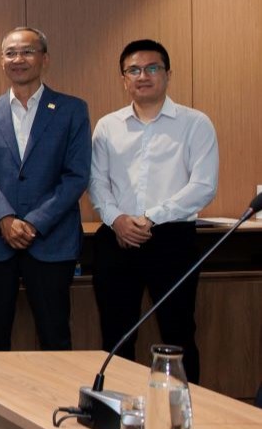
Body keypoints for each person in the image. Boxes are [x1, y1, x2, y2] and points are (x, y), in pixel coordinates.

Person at [90, 39, 217, 382]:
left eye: (152, 68)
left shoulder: (195, 123)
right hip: (117, 239)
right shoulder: (107, 126)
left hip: (172, 239)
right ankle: (117, 412)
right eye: (133, 70)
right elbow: (97, 184)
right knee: (117, 337)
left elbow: (203, 185)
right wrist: (117, 219)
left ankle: (185, 415)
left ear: (167, 74)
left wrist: (151, 217)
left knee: (178, 333)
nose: (142, 76)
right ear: (123, 79)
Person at [0, 28, 91, 352]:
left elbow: (76, 176)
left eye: (27, 51)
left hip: (52, 241)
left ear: (44, 59)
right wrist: (6, 219)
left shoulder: (72, 110)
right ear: (1, 61)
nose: (18, 59)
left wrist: (34, 222)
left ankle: (56, 404)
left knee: (55, 335)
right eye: (10, 53)